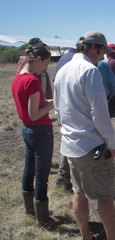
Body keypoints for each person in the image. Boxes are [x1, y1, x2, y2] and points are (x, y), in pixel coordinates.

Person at [54, 31, 115, 240]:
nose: (102, 57)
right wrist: (110, 143)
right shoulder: (90, 71)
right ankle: (112, 238)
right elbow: (100, 114)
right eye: (102, 52)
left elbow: (58, 110)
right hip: (93, 146)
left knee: (79, 192)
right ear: (93, 48)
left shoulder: (62, 70)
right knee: (105, 197)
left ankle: (85, 236)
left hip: (71, 145)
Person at [11, 45, 60, 226]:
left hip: (28, 130)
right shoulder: (32, 81)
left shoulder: (18, 78)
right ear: (38, 60)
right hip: (40, 130)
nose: (45, 68)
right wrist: (53, 104)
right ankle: (44, 217)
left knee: (28, 170)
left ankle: (30, 210)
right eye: (46, 63)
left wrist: (45, 102)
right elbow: (35, 114)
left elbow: (29, 107)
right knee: (42, 175)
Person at [54, 48, 77, 190]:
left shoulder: (62, 60)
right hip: (72, 105)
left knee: (66, 138)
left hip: (63, 104)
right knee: (71, 140)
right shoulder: (75, 62)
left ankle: (62, 178)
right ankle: (63, 177)